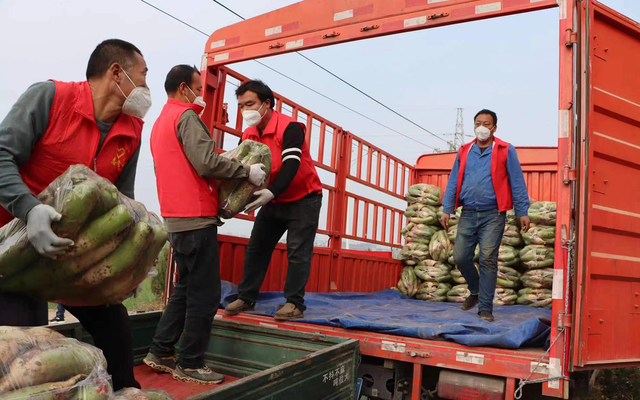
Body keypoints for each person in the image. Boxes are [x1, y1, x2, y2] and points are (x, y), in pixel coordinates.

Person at [0, 39, 151, 390]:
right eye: (143, 76)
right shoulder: (50, 99)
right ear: (117, 73)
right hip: (14, 254)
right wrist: (30, 209)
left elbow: (122, 202)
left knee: (116, 328)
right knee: (26, 344)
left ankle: (126, 394)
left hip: (72, 255)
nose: (145, 88)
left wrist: (128, 264)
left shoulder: (131, 133)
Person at [144, 65, 266, 385]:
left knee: (185, 289)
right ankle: (191, 363)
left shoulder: (161, 122)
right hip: (195, 218)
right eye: (198, 89)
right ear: (184, 87)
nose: (201, 95)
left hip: (175, 219)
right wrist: (245, 171)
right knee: (206, 295)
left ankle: (160, 351)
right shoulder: (186, 117)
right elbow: (206, 162)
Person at [224, 80, 323, 321]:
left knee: (297, 251)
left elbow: (291, 164)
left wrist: (272, 192)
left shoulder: (290, 128)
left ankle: (294, 303)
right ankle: (246, 297)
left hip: (303, 198)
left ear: (266, 104)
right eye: (240, 106)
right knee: (257, 248)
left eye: (250, 104)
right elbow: (240, 168)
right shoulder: (248, 133)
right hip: (274, 200)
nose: (245, 111)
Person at [441, 109, 530, 322]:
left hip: (493, 214)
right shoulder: (464, 151)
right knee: (460, 256)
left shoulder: (505, 150)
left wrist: (522, 211)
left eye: (486, 124)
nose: (482, 127)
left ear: (494, 128)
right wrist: (447, 207)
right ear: (474, 126)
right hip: (468, 213)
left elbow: (516, 181)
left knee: (488, 259)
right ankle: (475, 289)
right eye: (478, 123)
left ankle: (485, 308)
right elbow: (454, 179)